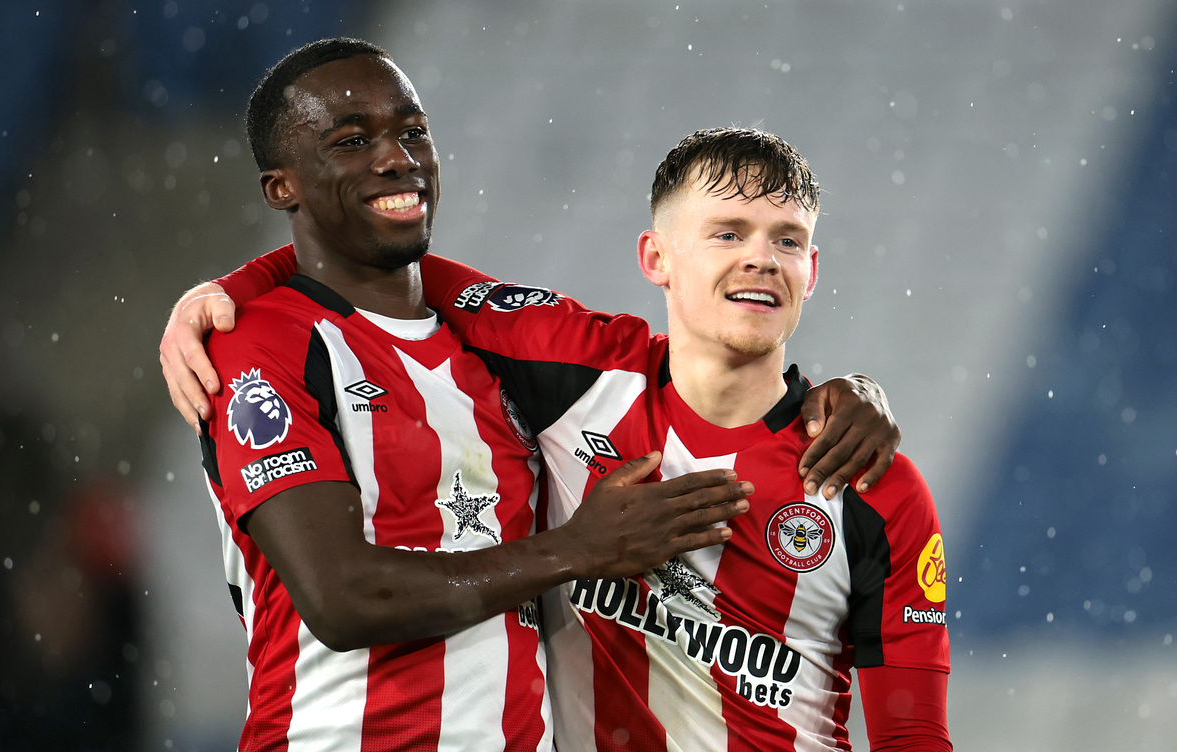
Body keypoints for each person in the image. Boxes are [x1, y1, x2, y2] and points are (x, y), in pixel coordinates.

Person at [159, 40, 906, 749]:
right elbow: (342, 598)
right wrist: (579, 551)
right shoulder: (259, 343)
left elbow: (693, 369)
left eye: (412, 131)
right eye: (352, 140)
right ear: (280, 187)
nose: (396, 157)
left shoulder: (490, 335)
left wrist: (843, 391)